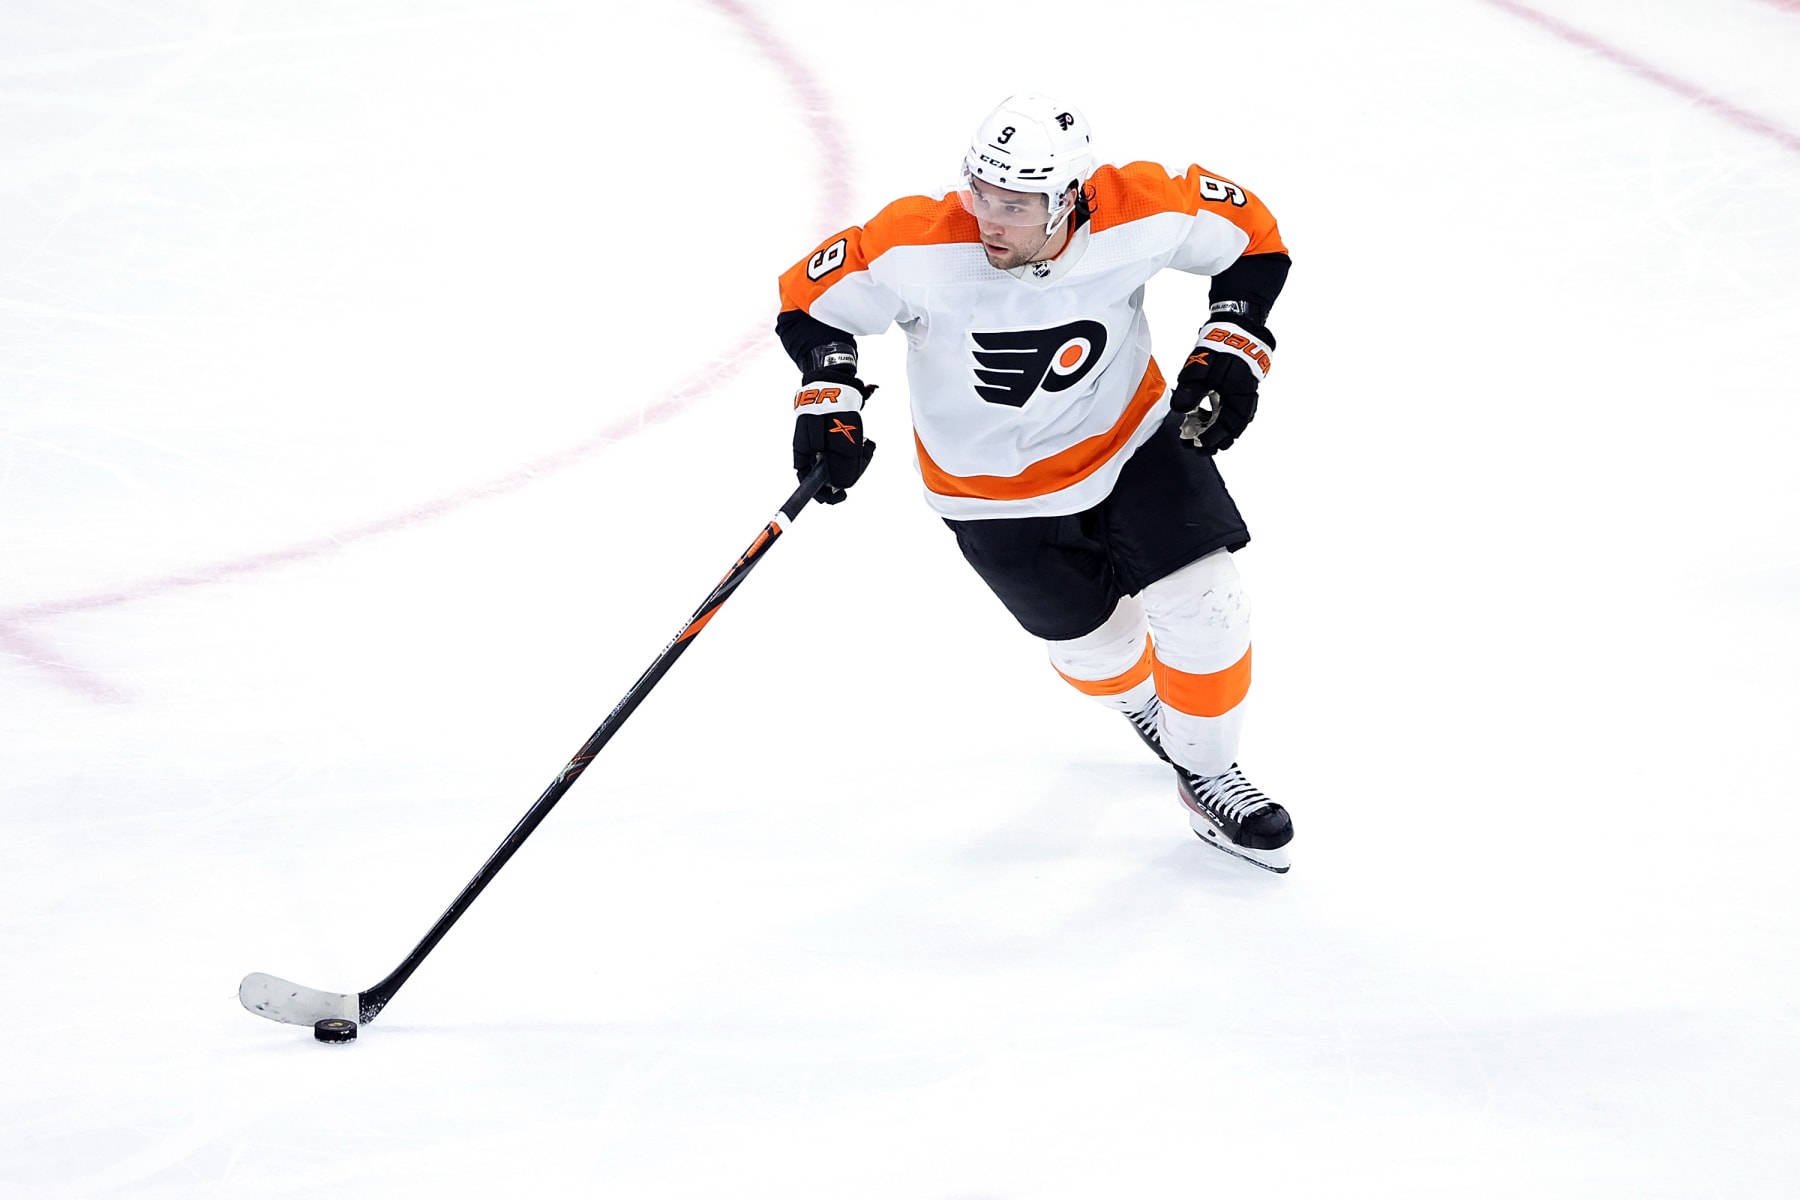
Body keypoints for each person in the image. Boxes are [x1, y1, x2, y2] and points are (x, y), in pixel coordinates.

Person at [776, 93, 1295, 872]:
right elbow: (811, 302)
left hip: (1130, 441)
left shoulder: (1140, 208)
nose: (990, 219)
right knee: (1099, 653)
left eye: (1015, 205)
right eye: (981, 194)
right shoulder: (916, 242)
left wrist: (1233, 339)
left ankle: (1209, 773)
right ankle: (1142, 703)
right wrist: (829, 391)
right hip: (990, 490)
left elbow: (1253, 239)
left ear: (1070, 197)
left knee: (1206, 602)